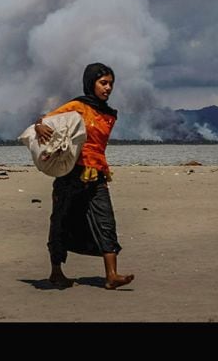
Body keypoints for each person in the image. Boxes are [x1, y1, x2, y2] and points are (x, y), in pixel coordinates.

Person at [33, 62, 135, 290]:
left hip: (98, 173)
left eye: (111, 84)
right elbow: (46, 120)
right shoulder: (78, 106)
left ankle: (112, 275)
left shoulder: (109, 114)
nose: (108, 88)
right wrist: (39, 125)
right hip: (71, 174)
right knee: (61, 220)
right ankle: (56, 272)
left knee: (106, 221)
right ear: (91, 83)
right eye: (103, 83)